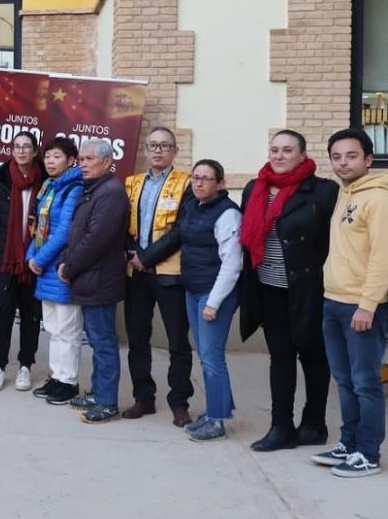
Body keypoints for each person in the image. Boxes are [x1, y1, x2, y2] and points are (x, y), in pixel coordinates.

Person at [239, 129, 338, 452]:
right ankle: (280, 427)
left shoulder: (323, 192)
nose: (279, 155)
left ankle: (314, 425)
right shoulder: (255, 188)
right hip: (269, 289)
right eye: (274, 149)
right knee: (281, 358)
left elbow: (333, 242)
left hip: (309, 290)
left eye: (287, 150)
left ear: (302, 155)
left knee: (313, 355)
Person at [139, 159, 242, 442]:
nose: (199, 183)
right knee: (206, 355)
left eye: (206, 179)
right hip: (192, 290)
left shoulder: (228, 214)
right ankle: (218, 410)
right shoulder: (193, 207)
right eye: (196, 177)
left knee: (212, 358)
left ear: (220, 184)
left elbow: (232, 264)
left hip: (213, 294)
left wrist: (214, 303)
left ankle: (217, 420)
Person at [314, 128, 388, 477]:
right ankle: (350, 442)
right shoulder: (345, 193)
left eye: (352, 156)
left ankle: (369, 453)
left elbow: (382, 258)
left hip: (360, 308)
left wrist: (368, 304)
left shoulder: (378, 198)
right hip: (333, 301)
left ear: (368, 159)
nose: (343, 162)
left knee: (366, 383)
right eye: (337, 157)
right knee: (343, 380)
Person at [122, 127, 195, 426]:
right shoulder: (132, 183)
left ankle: (179, 401)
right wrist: (132, 255)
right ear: (146, 150)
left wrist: (147, 258)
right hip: (136, 274)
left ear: (175, 151)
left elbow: (181, 229)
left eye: (165, 145)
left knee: (178, 340)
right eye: (152, 145)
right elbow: (120, 222)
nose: (158, 150)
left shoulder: (187, 183)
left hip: (169, 273)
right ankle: (143, 397)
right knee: (137, 336)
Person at [58, 139, 129, 425]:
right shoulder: (94, 190)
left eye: (88, 159)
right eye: (81, 159)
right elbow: (77, 232)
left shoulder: (111, 193)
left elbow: (96, 240)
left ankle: (107, 402)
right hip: (89, 277)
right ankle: (98, 392)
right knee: (97, 341)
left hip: (99, 279)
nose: (82, 164)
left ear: (106, 161)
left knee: (103, 343)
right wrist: (66, 259)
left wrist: (71, 266)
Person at [0, 131, 45, 390]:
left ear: (35, 151)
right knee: (1, 314)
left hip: (34, 262)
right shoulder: (1, 178)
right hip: (5, 260)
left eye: (27, 146)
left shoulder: (46, 181)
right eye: (17, 146)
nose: (21, 151)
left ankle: (26, 365)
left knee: (31, 316)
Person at [25, 137, 84, 406]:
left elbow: (64, 232)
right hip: (44, 266)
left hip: (60, 267)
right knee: (52, 327)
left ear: (71, 160)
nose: (50, 160)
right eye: (47, 155)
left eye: (56, 156)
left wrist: (40, 258)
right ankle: (56, 377)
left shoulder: (74, 187)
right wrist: (31, 255)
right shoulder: (48, 186)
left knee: (67, 329)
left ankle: (68, 382)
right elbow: (37, 227)